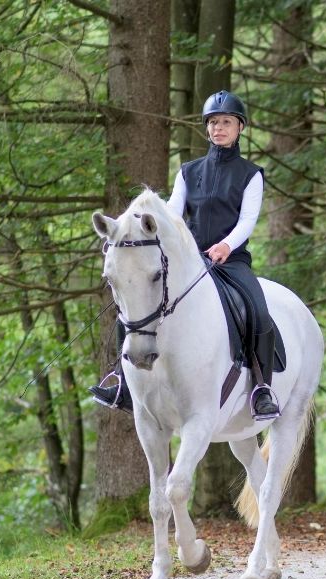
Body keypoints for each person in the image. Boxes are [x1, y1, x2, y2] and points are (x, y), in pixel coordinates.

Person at [90, 90, 280, 420]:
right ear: (207, 128)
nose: (219, 128)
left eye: (226, 122)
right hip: (192, 262)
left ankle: (262, 388)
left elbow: (248, 219)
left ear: (239, 128)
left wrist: (226, 246)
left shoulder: (251, 175)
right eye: (213, 123)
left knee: (258, 311)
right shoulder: (189, 172)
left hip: (230, 261)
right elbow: (173, 215)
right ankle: (122, 381)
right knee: (134, 303)